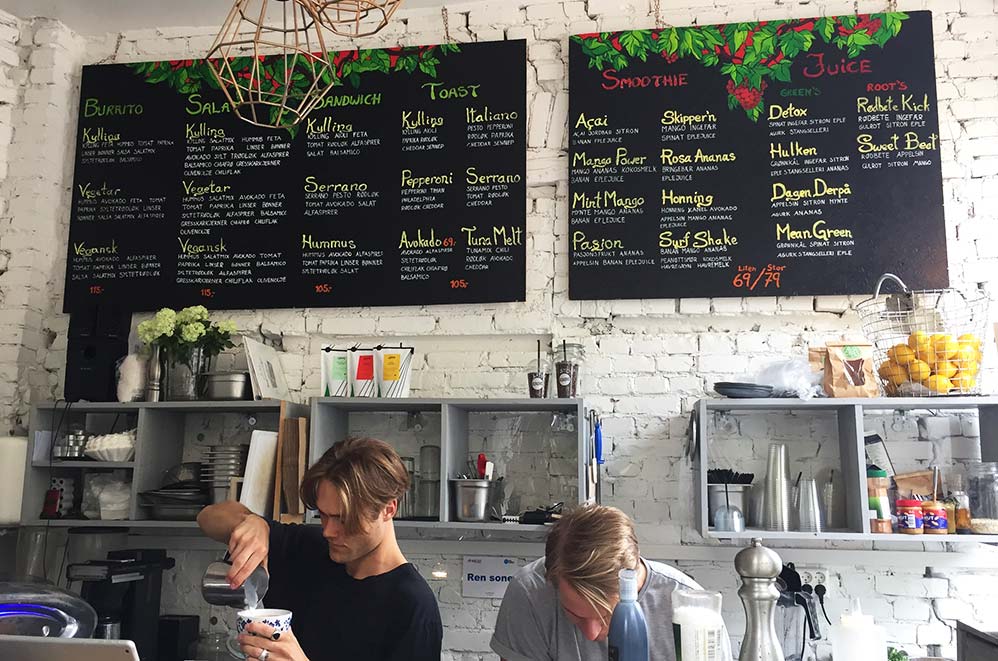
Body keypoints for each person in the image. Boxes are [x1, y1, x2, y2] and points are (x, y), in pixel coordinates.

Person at [197, 437, 442, 661]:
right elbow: (207, 518)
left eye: (343, 519)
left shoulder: (413, 606)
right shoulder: (308, 549)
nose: (328, 531)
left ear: (388, 509)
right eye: (323, 515)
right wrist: (252, 522)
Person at [491, 504, 724, 661]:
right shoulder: (530, 595)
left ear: (632, 585)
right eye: (575, 614)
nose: (592, 634)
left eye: (606, 617)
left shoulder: (690, 613)